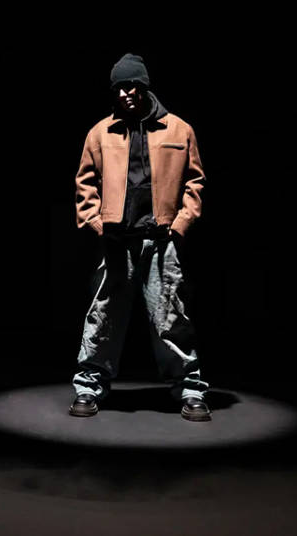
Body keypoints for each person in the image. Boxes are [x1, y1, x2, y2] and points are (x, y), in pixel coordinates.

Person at [69, 53, 211, 422]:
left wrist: (180, 225)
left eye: (131, 86)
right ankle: (88, 387)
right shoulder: (100, 133)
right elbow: (85, 184)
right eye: (118, 88)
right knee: (103, 316)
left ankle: (190, 390)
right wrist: (97, 224)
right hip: (117, 241)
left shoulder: (179, 130)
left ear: (144, 86)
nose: (125, 93)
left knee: (171, 317)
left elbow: (195, 182)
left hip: (161, 240)